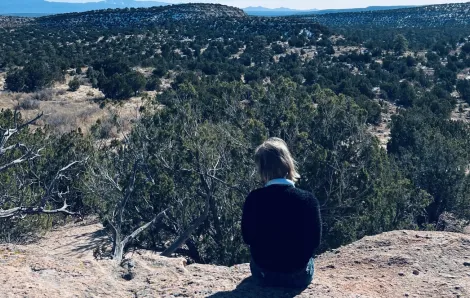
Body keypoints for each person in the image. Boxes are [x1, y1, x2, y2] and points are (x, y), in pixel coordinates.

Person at [242, 137, 322, 289]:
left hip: (264, 274)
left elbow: (247, 238)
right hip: (298, 276)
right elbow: (315, 242)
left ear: (262, 169)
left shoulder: (254, 199)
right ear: (288, 164)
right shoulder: (308, 200)